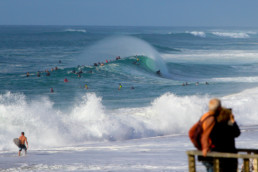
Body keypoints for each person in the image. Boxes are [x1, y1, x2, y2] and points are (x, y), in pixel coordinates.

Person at [190, 99, 222, 172]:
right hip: (210, 152)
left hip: (203, 152)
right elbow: (205, 135)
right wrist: (206, 148)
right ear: (219, 107)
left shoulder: (204, 116)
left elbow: (191, 132)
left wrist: (198, 146)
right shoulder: (212, 118)